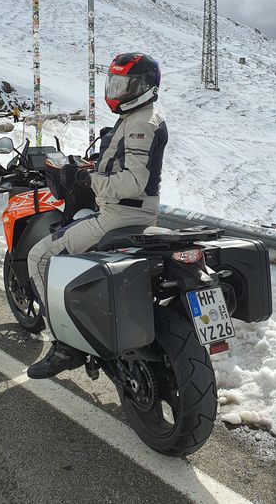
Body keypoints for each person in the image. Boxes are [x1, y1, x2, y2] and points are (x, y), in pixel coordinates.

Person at [27, 52, 168, 379]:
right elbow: (126, 165)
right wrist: (90, 167)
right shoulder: (139, 117)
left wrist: (89, 180)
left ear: (144, 87)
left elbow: (134, 181)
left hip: (119, 214)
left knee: (39, 258)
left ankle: (64, 347)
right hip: (132, 212)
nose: (117, 91)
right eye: (114, 83)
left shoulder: (140, 124)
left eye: (124, 85)